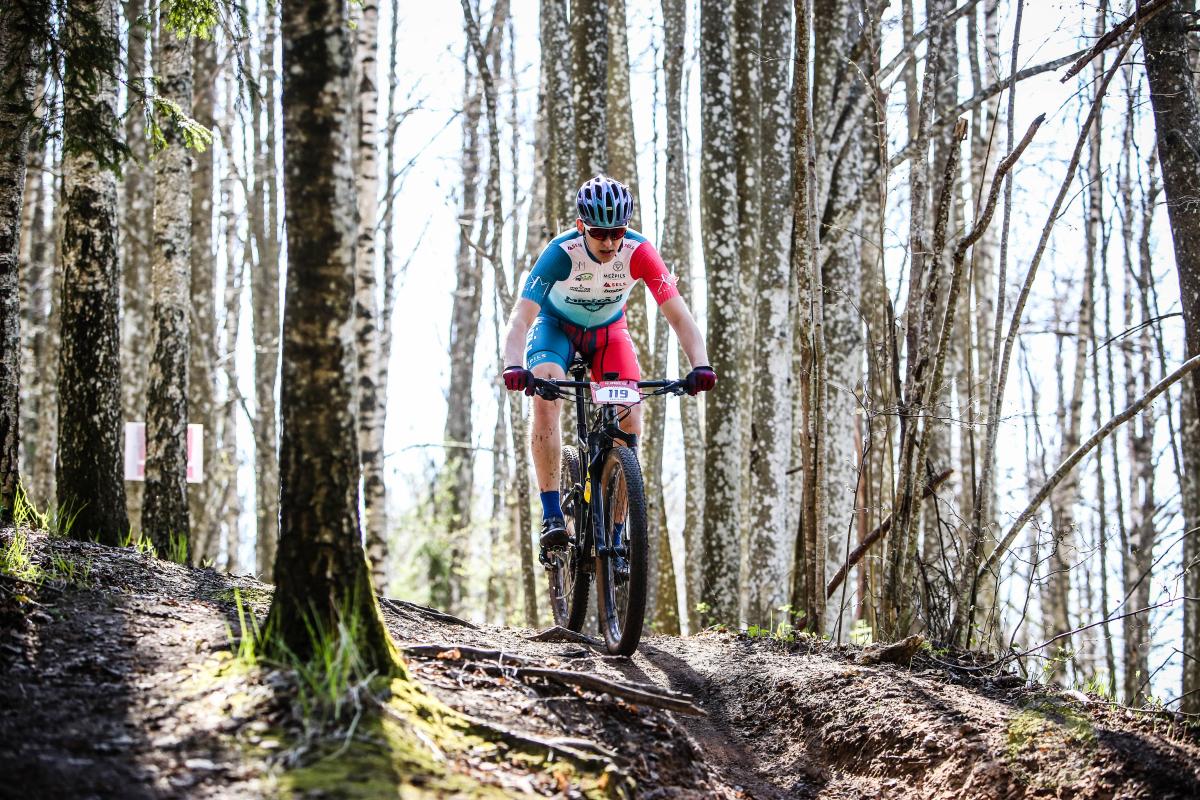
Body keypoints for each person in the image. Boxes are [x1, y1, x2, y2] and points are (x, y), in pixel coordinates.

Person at [501, 174, 716, 553]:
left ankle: (616, 532)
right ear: (581, 226)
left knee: (630, 419)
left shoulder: (639, 251)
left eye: (617, 232)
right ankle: (552, 514)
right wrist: (513, 365)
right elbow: (521, 316)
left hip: (608, 334)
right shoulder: (560, 252)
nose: (609, 243)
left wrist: (701, 365)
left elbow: (680, 316)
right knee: (546, 396)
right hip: (556, 329)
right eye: (599, 233)